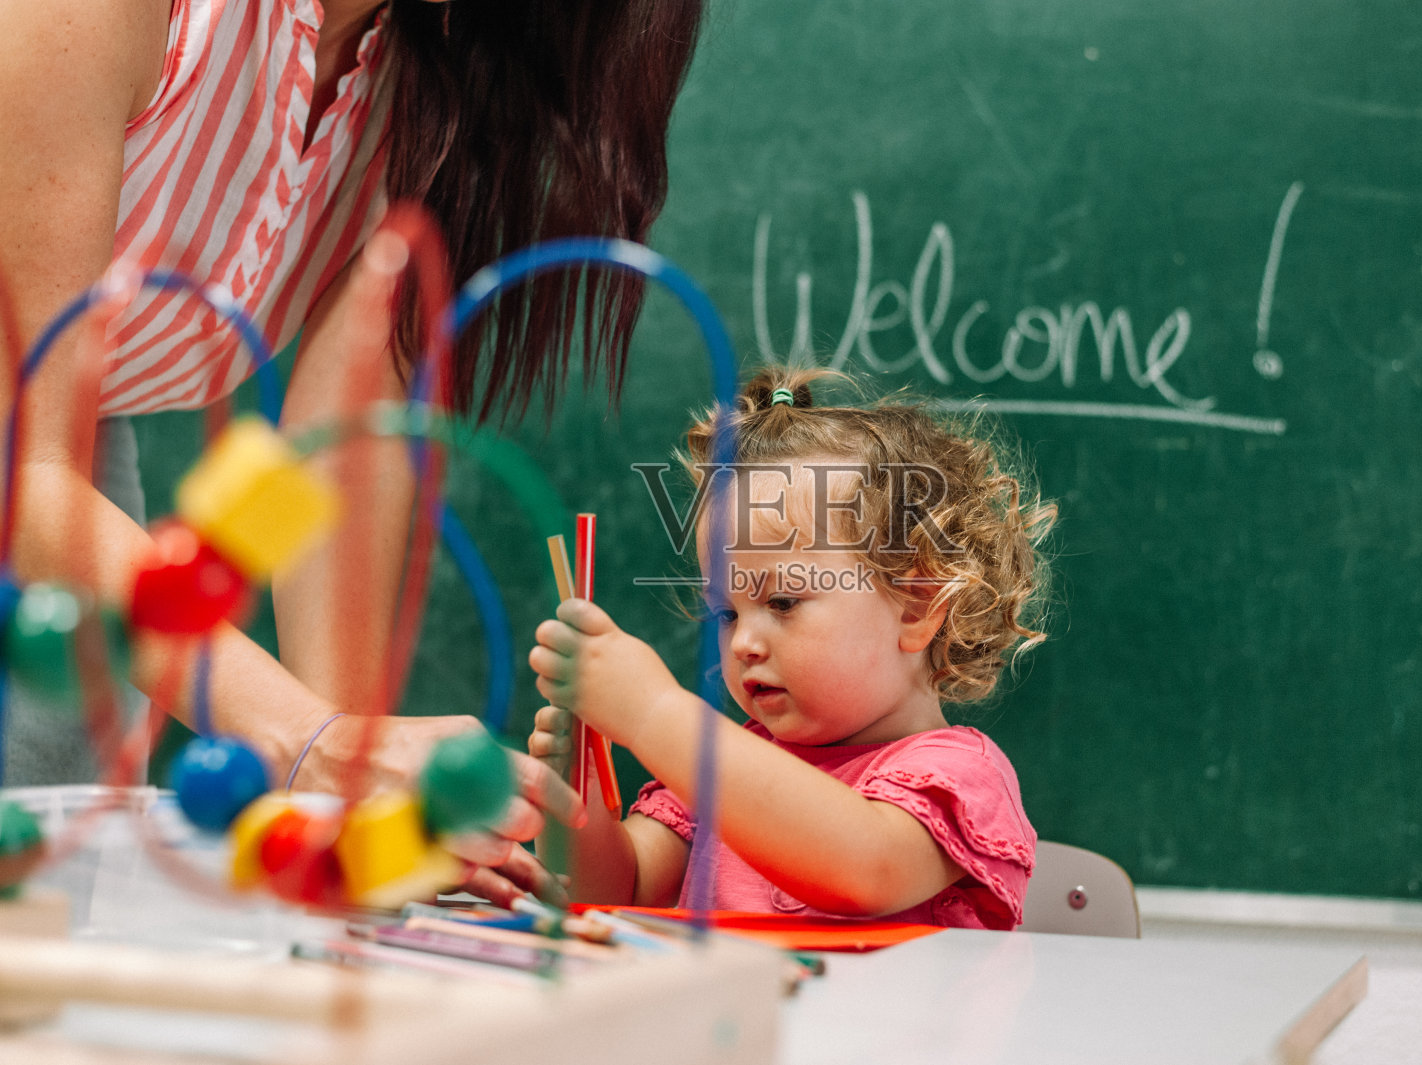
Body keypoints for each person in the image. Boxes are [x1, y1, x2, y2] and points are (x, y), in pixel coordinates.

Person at [0, 0, 705, 906]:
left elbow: (342, 443)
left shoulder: (432, 59)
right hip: (43, 471)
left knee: (39, 897)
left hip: (76, 466)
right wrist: (306, 739)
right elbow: (28, 468)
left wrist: (349, 794)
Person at [528, 368, 1056, 928]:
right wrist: (571, 798)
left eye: (782, 602)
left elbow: (864, 869)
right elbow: (616, 889)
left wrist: (655, 713)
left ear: (915, 608)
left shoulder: (958, 776)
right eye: (726, 613)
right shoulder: (726, 767)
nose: (745, 643)